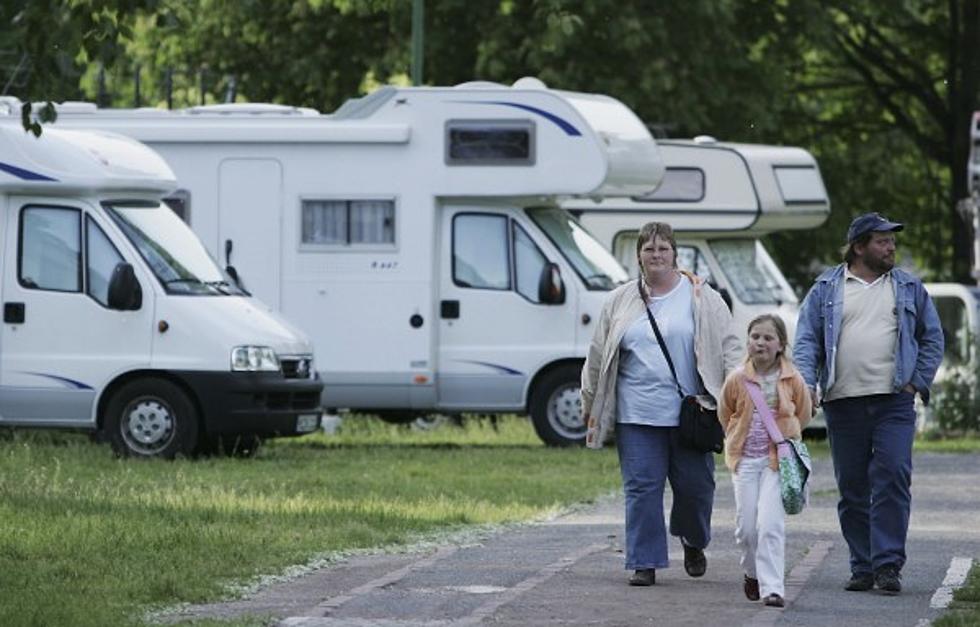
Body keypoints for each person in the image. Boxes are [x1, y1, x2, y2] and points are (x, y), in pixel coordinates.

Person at [581, 221, 741, 586]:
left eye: (663, 249)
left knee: (696, 489)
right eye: (649, 249)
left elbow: (730, 346)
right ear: (638, 256)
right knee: (641, 488)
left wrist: (735, 393)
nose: (656, 255)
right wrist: (589, 400)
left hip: (692, 413)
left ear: (675, 254)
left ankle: (693, 539)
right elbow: (597, 353)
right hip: (637, 414)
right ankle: (644, 561)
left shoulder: (702, 296)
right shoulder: (620, 299)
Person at [794, 212, 944, 595]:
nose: (891, 246)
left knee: (893, 476)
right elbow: (807, 340)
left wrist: (915, 383)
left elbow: (933, 338)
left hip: (894, 401)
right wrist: (805, 384)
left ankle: (888, 565)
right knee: (853, 488)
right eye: (881, 241)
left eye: (892, 241)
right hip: (843, 403)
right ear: (859, 247)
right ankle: (863, 565)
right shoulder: (826, 287)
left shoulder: (909, 287)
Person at [719, 314, 812, 608]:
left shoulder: (792, 378)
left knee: (770, 525)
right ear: (748, 341)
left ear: (781, 345)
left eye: (768, 338)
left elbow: (804, 413)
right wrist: (736, 439)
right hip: (745, 461)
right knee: (746, 529)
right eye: (755, 336)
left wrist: (786, 439)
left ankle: (773, 588)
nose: (760, 342)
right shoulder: (736, 378)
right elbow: (725, 413)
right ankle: (752, 574)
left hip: (777, 462)